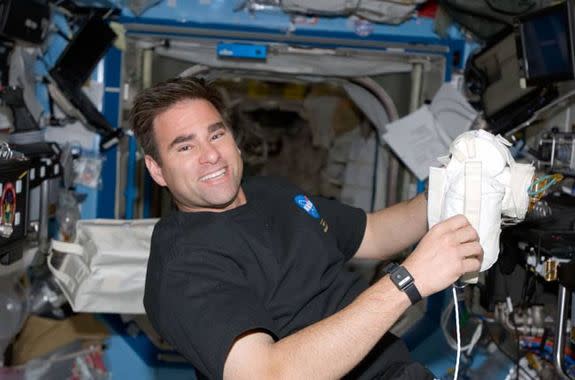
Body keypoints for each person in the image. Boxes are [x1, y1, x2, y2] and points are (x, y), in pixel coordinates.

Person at [131, 76, 483, 380]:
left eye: (216, 134)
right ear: (157, 169)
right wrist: (408, 281)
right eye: (186, 146)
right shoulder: (182, 265)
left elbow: (373, 234)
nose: (210, 155)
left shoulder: (270, 192)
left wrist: (447, 193)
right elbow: (266, 374)